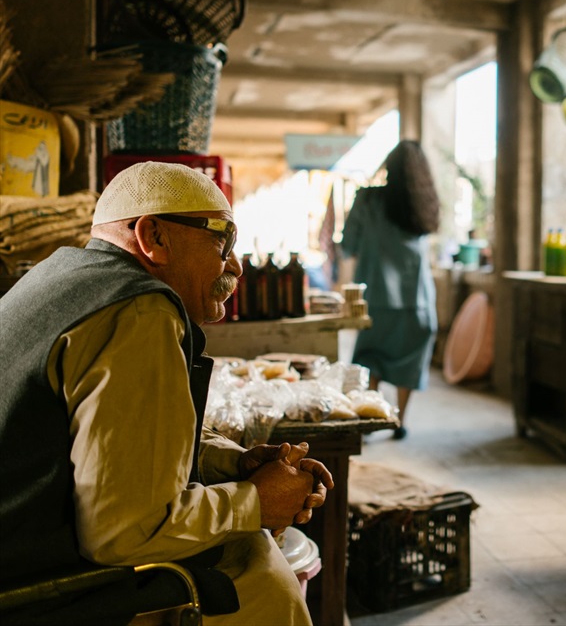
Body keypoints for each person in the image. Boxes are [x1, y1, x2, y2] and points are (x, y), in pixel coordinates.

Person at [0, 161, 333, 626]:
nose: (234, 264)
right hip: (36, 592)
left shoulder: (56, 275)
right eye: (222, 239)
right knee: (258, 570)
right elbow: (122, 533)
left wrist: (233, 463)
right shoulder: (139, 313)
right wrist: (256, 502)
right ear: (153, 236)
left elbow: (110, 442)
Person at [341, 140, 439, 439]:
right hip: (417, 300)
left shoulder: (368, 200)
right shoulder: (424, 203)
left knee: (371, 358)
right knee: (410, 361)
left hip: (378, 298)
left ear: (389, 167)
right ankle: (399, 419)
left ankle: (372, 419)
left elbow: (349, 245)